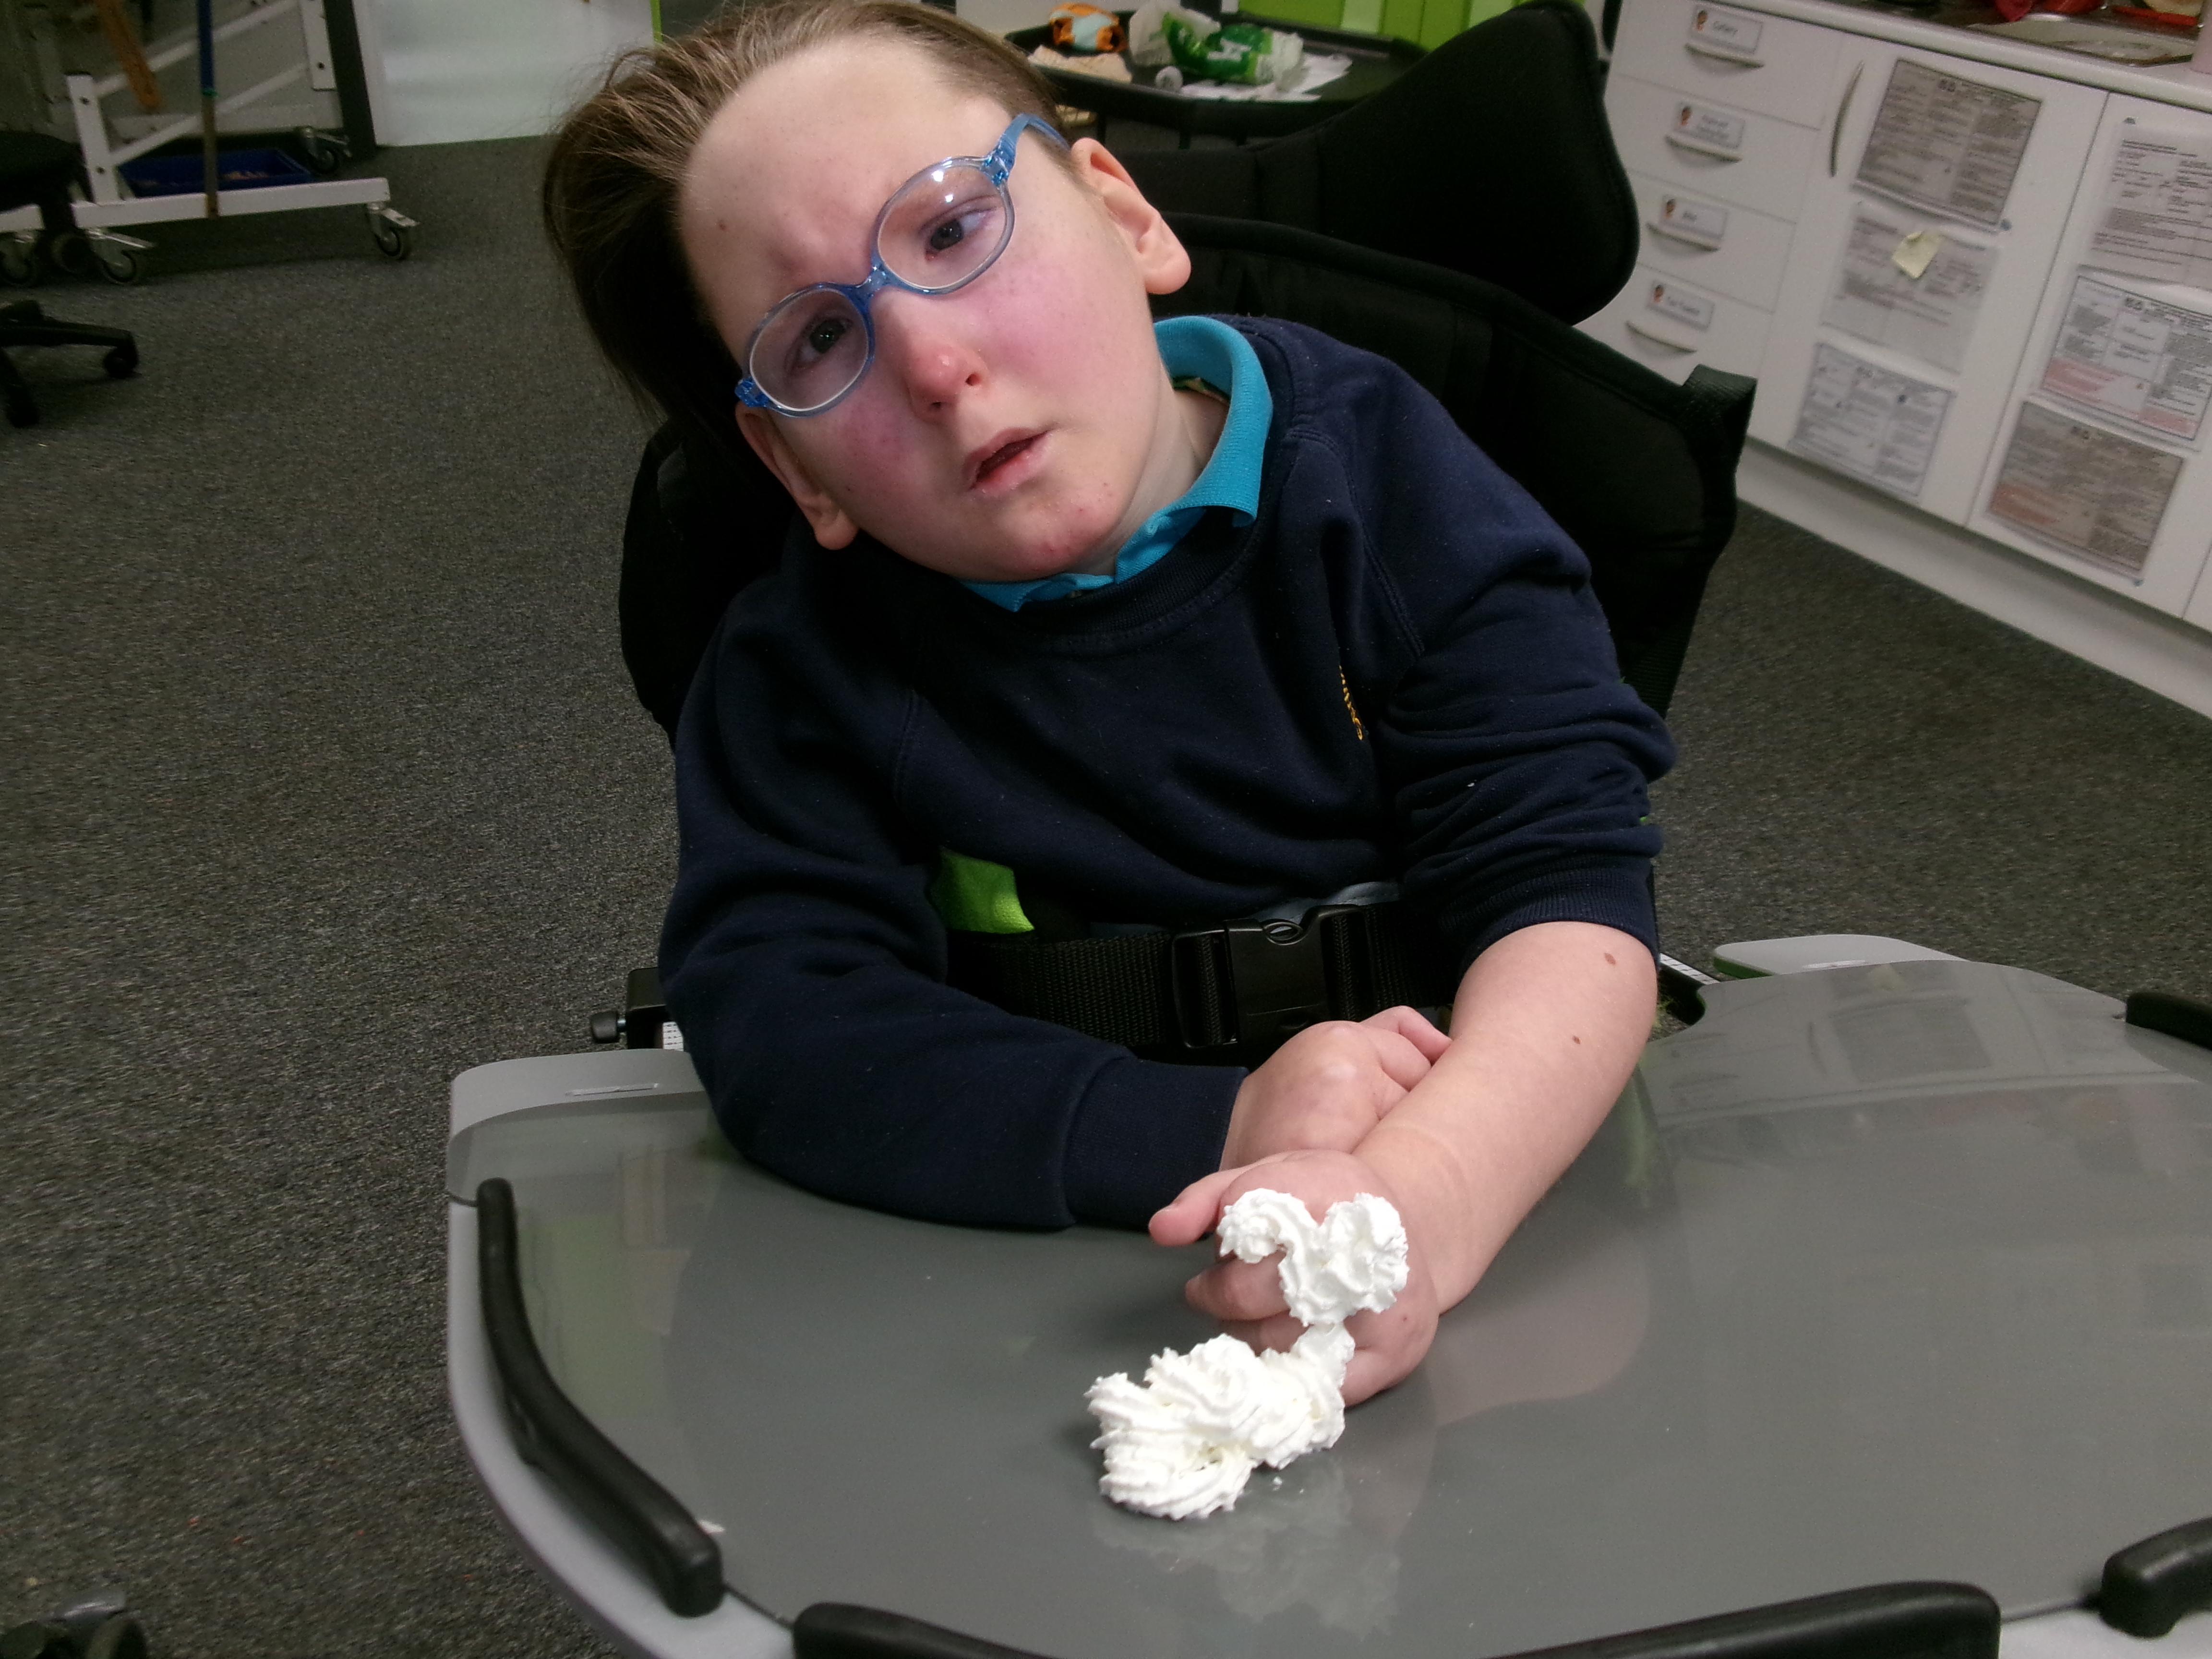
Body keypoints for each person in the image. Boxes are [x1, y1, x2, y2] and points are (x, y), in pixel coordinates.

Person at [542, 0, 1673, 1407]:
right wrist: (1223, 1126)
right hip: (1046, 1266)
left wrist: (1420, 1197)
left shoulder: (1392, 487)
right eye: (821, 339)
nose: (936, 368)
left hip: (1481, 1158)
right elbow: (790, 1030)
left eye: (954, 230)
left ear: (1126, 217)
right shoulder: (802, 666)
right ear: (796, 472)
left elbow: (1567, 891)